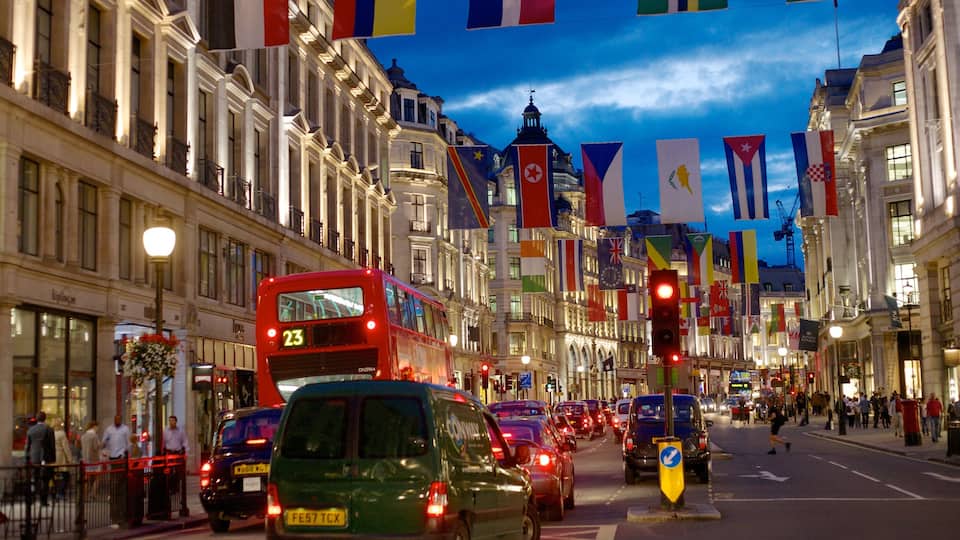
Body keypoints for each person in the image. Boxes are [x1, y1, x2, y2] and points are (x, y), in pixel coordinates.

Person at [25, 411, 56, 506]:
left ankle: (32, 499)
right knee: (45, 480)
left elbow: (27, 446)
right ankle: (43, 501)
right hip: (46, 458)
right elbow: (52, 445)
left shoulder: (31, 430)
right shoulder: (49, 429)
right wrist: (53, 459)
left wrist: (26, 458)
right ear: (45, 418)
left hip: (34, 458)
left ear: (36, 419)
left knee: (34, 479)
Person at [162, 415, 189, 498]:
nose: (171, 422)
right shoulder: (166, 431)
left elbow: (185, 441)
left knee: (178, 471)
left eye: (172, 421)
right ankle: (170, 488)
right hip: (169, 453)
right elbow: (163, 442)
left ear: (175, 422)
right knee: (169, 471)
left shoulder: (180, 431)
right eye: (170, 421)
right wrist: (163, 452)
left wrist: (186, 452)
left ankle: (176, 487)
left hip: (177, 453)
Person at [80, 421, 101, 498]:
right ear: (94, 426)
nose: (98, 429)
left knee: (86, 478)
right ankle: (93, 494)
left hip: (85, 459)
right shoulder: (94, 436)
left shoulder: (83, 436)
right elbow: (96, 447)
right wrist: (101, 444)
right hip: (94, 460)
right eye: (97, 427)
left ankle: (84, 495)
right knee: (97, 477)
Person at [53, 421, 72, 500]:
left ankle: (55, 492)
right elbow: (66, 447)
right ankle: (61, 492)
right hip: (61, 456)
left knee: (54, 475)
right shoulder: (62, 434)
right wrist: (69, 459)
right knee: (65, 475)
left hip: (53, 456)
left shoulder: (51, 433)